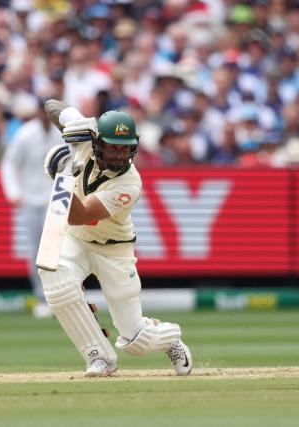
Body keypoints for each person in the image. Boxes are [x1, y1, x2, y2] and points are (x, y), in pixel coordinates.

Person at [39, 103, 192, 377]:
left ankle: (170, 339)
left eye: (125, 147)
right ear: (98, 142)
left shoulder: (130, 184)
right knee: (55, 280)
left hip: (114, 252)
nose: (120, 154)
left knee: (136, 340)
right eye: (113, 147)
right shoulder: (86, 140)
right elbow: (51, 106)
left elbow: (80, 215)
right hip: (76, 242)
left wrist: (61, 178)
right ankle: (98, 356)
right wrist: (73, 122)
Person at [0, 100, 62, 318]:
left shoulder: (63, 134)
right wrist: (13, 192)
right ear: (37, 113)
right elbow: (8, 164)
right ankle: (42, 298)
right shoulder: (25, 134)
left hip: (56, 199)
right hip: (29, 200)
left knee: (56, 250)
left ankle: (60, 298)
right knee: (36, 251)